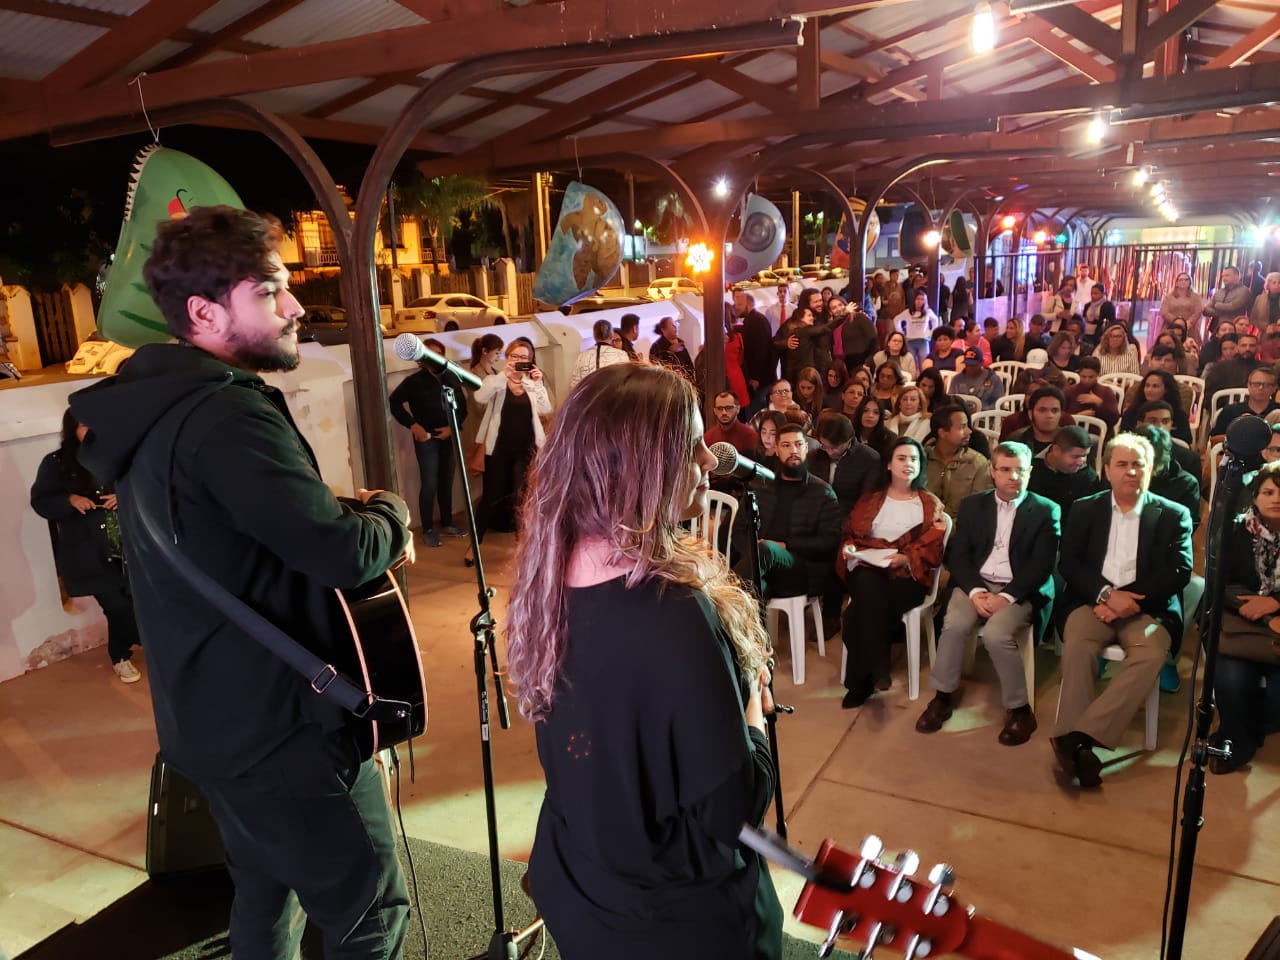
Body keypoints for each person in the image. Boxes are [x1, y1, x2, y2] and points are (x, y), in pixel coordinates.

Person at [68, 206, 413, 956]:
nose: (294, 307)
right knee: (370, 913)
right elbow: (341, 552)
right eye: (269, 290)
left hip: (212, 722)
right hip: (280, 731)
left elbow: (238, 534)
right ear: (204, 312)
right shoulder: (226, 416)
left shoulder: (153, 409)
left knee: (263, 895)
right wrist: (392, 515)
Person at [503, 362, 783, 959]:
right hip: (674, 922)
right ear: (639, 464)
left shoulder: (549, 572)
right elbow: (731, 811)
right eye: (692, 445)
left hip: (582, 887)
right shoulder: (674, 611)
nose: (708, 461)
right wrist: (755, 714)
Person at [1052, 433, 1193, 788]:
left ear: (1151, 468)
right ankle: (1080, 745)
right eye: (1122, 464)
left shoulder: (1173, 514)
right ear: (1106, 470)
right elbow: (1070, 563)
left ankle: (1077, 738)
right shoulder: (1085, 508)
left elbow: (1179, 570)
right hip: (1091, 602)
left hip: (1148, 608)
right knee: (1078, 647)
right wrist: (1106, 596)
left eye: (1138, 464)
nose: (1131, 471)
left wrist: (1127, 600)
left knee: (1151, 654)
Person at [917, 442, 1060, 744]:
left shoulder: (1046, 510)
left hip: (1020, 589)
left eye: (1020, 470)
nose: (1013, 477)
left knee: (996, 634)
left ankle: (1020, 709)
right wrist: (975, 591)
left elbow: (1041, 565)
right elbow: (958, 555)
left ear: (1030, 472)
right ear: (993, 472)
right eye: (1005, 470)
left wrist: (1005, 597)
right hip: (977, 583)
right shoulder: (974, 505)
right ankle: (943, 696)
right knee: (954, 625)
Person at [30, 408, 141, 683]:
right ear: (71, 429)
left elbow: (145, 486)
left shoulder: (118, 455)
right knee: (117, 607)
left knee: (131, 603)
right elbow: (41, 501)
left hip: (127, 548)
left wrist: (125, 496)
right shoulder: (56, 463)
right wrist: (69, 500)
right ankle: (139, 649)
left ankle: (121, 654)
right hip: (88, 553)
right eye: (82, 425)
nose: (90, 430)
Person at [838, 437, 948, 707]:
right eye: (901, 458)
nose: (908, 463)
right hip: (869, 567)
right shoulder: (871, 500)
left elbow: (933, 546)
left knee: (855, 615)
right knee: (868, 582)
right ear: (888, 464)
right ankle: (878, 667)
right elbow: (852, 535)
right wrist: (850, 549)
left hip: (908, 576)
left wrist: (906, 557)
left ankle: (860, 684)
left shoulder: (929, 504)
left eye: (914, 459)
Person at [1210, 462, 1280, 774]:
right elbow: (1219, 581)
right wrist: (1264, 614)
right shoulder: (1235, 530)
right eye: (1268, 492)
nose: (1276, 499)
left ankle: (1247, 729)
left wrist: (1274, 602)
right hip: (1241, 625)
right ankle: (1237, 743)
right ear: (1255, 496)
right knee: (1232, 681)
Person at [466, 337, 553, 565]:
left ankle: (522, 548)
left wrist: (538, 383)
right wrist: (503, 375)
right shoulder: (496, 381)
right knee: (490, 498)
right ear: (507, 357)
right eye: (515, 356)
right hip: (497, 450)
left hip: (525, 450)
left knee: (520, 500)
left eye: (524, 357)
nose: (519, 361)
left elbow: (546, 408)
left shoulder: (531, 384)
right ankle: (474, 545)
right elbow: (479, 396)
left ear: (530, 360)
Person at [733, 423, 841, 605]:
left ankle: (718, 604)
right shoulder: (761, 486)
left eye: (798, 444)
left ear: (806, 448)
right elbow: (738, 531)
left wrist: (786, 545)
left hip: (802, 572)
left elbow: (829, 542)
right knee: (752, 591)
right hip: (762, 568)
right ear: (776, 450)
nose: (793, 450)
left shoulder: (822, 492)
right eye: (786, 445)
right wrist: (751, 555)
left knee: (766, 550)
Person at [389, 336, 468, 547]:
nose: (434, 358)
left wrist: (452, 428)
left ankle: (447, 522)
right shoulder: (414, 382)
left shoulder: (450, 378)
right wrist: (413, 425)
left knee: (447, 480)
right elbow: (394, 402)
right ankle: (428, 529)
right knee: (430, 482)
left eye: (438, 354)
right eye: (430, 354)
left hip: (449, 435)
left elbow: (462, 408)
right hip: (427, 438)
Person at [807, 411, 880, 520]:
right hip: (815, 515)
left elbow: (866, 501)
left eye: (835, 447)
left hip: (848, 518)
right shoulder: (814, 456)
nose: (830, 452)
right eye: (825, 446)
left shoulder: (869, 459)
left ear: (849, 439)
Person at [925, 404, 993, 519]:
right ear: (942, 432)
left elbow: (979, 508)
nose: (969, 431)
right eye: (962, 427)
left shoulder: (977, 463)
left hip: (963, 526)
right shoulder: (921, 460)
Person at [1028, 425, 1104, 523]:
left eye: (1084, 456)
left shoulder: (1088, 478)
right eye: (1075, 456)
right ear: (1056, 450)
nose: (1080, 462)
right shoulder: (1030, 471)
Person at [1136, 401, 1202, 488]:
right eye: (1153, 421)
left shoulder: (1189, 459)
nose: (1160, 427)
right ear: (1140, 424)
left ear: (1171, 424)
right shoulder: (1127, 454)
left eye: (1165, 421)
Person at [1210, 363, 1280, 444]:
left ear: (1274, 388)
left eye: (1267, 385)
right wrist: (1238, 433)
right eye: (1256, 384)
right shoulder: (1230, 411)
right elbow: (1213, 440)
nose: (1261, 388)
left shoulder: (1278, 412)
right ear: (1248, 385)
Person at [1118, 370, 1193, 445]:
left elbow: (1186, 441)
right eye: (1147, 386)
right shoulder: (1132, 412)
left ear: (1166, 390)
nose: (1149, 390)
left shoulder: (1178, 414)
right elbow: (1123, 437)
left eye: (1155, 386)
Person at [735, 290, 776, 411]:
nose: (736, 308)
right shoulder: (752, 320)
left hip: (759, 380)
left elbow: (761, 351)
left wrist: (755, 377)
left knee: (756, 413)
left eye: (739, 305)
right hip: (759, 378)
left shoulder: (757, 321)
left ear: (749, 305)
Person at [1007, 386, 1071, 456]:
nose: (1049, 415)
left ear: (1061, 414)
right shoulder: (1016, 442)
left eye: (1054, 411)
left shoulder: (1071, 442)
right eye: (1042, 410)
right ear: (1030, 414)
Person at [571, 319, 632, 389]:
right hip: (614, 394)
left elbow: (574, 386)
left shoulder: (582, 356)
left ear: (594, 336)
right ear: (611, 335)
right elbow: (626, 383)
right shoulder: (622, 355)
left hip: (589, 395)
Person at [1064, 356, 1119, 429]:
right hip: (1073, 432)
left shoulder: (1106, 391)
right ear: (1079, 373)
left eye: (1091, 377)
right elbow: (1060, 417)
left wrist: (1099, 402)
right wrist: (1078, 416)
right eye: (1083, 376)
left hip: (1098, 433)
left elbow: (1114, 419)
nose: (1087, 380)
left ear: (1097, 375)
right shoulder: (1069, 391)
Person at [894, 289, 939, 373]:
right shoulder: (908, 312)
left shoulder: (928, 312)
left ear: (925, 301)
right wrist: (901, 333)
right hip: (910, 340)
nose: (919, 301)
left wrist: (931, 332)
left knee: (924, 363)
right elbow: (896, 319)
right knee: (909, 364)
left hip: (923, 340)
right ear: (914, 300)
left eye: (922, 299)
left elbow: (935, 320)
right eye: (917, 299)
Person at [853, 395, 896, 463]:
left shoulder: (889, 438)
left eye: (876, 412)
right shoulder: (850, 433)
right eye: (865, 410)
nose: (870, 415)